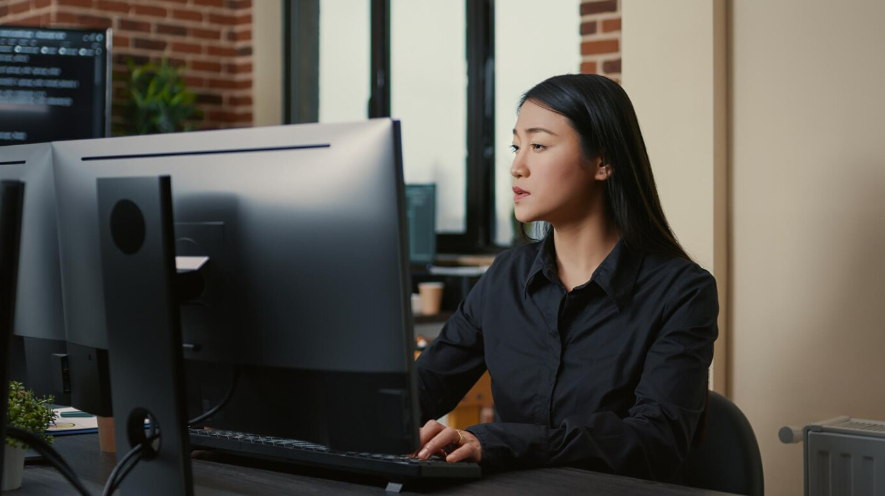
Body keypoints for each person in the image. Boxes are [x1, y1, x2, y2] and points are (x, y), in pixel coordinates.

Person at [413, 74, 719, 482]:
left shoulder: (682, 291)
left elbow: (656, 441)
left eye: (538, 145)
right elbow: (422, 389)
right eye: (516, 146)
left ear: (603, 161)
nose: (517, 166)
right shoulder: (505, 277)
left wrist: (500, 442)